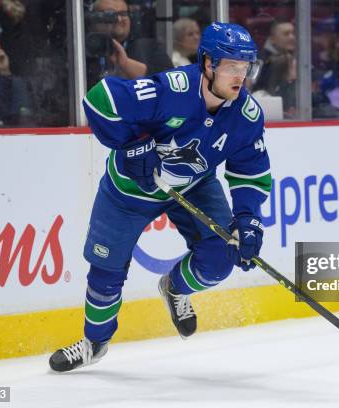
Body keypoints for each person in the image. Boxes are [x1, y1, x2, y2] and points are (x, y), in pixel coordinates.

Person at [49, 22, 271, 372]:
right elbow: (100, 100)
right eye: (231, 66)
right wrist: (133, 145)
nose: (239, 76)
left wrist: (248, 219)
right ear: (208, 63)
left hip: (194, 185)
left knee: (220, 257)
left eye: (245, 68)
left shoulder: (246, 115)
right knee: (106, 274)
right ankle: (95, 342)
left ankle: (174, 287)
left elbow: (250, 172)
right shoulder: (174, 89)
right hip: (127, 194)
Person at [86, 0, 173, 88]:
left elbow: (170, 83)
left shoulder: (148, 48)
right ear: (93, 19)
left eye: (123, 14)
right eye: (110, 15)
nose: (119, 19)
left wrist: (126, 64)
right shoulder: (80, 48)